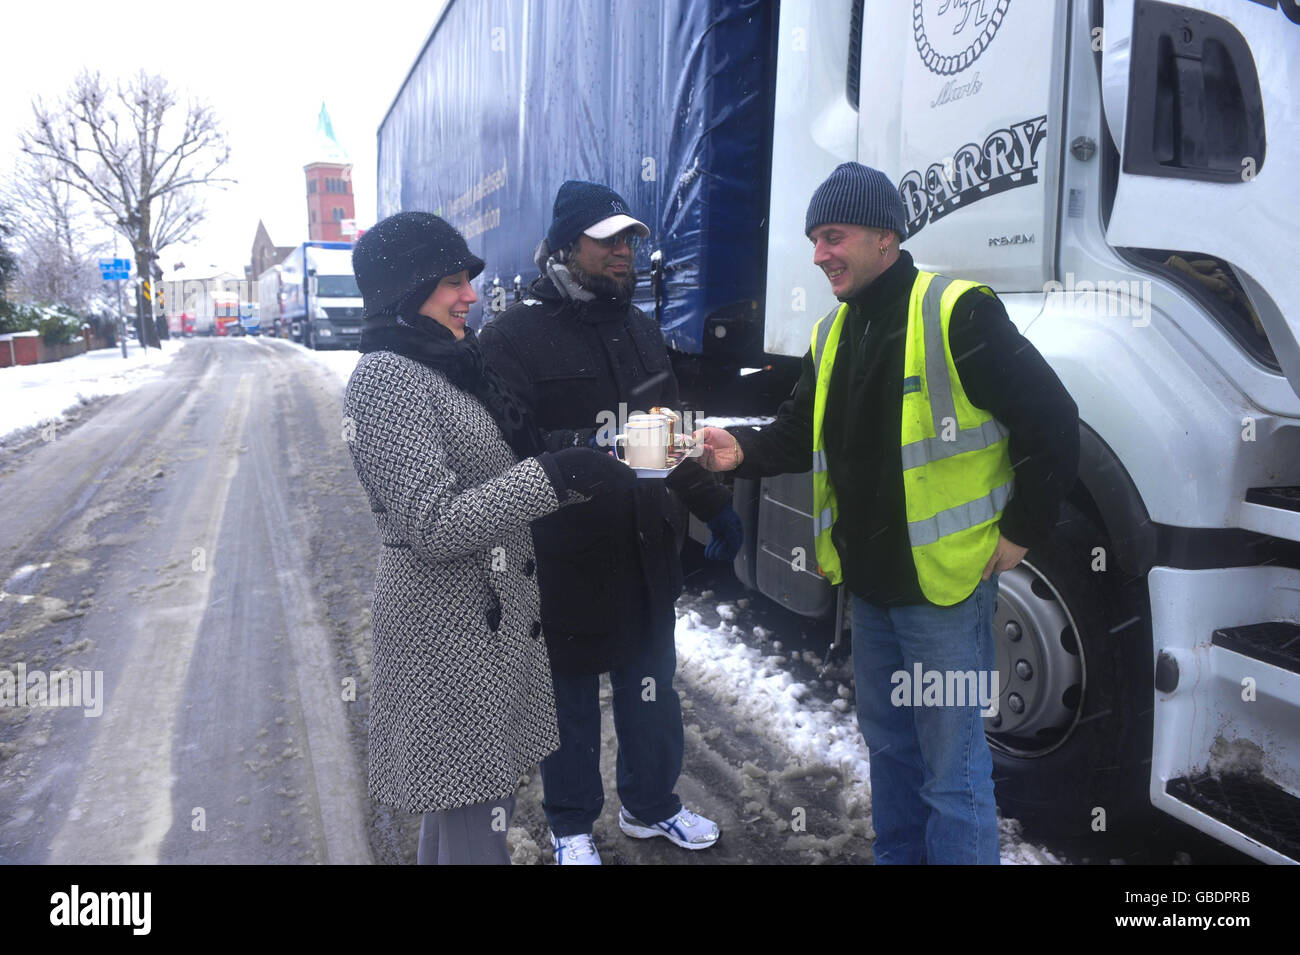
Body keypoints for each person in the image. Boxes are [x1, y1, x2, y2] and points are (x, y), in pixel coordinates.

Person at [694, 163, 1080, 865]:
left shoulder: (956, 312)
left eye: (833, 235)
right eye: (814, 239)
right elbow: (794, 431)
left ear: (885, 235)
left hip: (944, 594)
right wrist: (734, 451)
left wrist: (1025, 529)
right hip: (871, 592)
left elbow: (1053, 419)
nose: (818, 254)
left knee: (953, 774)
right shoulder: (835, 333)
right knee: (893, 754)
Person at [344, 212, 637, 865]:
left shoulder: (446, 362)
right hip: (445, 641)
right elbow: (433, 523)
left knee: (460, 811)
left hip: (476, 633)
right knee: (477, 826)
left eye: (468, 280)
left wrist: (576, 455)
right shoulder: (387, 376)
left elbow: (495, 461)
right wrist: (550, 479)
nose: (470, 295)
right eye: (452, 282)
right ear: (404, 290)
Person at [480, 181, 743, 865]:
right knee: (567, 704)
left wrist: (715, 506)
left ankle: (651, 805)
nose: (625, 252)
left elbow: (667, 435)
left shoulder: (641, 330)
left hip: (646, 547)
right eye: (609, 240)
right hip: (564, 556)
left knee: (651, 690)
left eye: (631, 240)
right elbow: (513, 446)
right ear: (569, 245)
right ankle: (571, 826)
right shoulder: (512, 337)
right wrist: (602, 445)